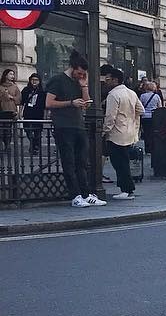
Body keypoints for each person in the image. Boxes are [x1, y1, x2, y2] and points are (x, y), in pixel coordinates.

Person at [45, 51, 104, 206]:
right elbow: (49, 103)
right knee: (69, 162)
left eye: (83, 74)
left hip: (78, 125)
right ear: (72, 68)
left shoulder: (80, 81)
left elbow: (88, 103)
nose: (80, 76)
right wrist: (71, 103)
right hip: (63, 126)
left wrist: (84, 86)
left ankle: (86, 194)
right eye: (79, 73)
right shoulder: (57, 80)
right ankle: (75, 195)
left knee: (82, 162)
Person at [100, 65, 143, 200]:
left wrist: (104, 131)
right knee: (124, 160)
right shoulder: (131, 93)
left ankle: (126, 189)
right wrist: (132, 119)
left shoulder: (113, 95)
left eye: (108, 79)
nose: (106, 82)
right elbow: (141, 110)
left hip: (116, 133)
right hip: (129, 132)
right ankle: (127, 188)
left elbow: (110, 116)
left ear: (115, 80)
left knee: (119, 162)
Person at [21, 72, 47, 155]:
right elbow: (22, 102)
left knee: (37, 131)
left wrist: (46, 114)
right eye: (32, 80)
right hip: (28, 112)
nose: (34, 82)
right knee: (27, 129)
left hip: (38, 113)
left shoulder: (42, 91)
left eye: (36, 80)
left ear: (39, 81)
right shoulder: (26, 90)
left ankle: (35, 146)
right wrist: (20, 112)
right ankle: (33, 143)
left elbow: (44, 104)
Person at [138, 78, 163, 154]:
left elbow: (139, 106)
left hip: (145, 117)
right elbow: (160, 107)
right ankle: (153, 148)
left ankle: (147, 149)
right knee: (153, 133)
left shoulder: (142, 96)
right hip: (154, 116)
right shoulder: (157, 96)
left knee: (146, 133)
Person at [0, 68, 19, 150]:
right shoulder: (0, 86)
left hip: (11, 110)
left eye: (13, 74)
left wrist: (12, 97)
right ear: (5, 75)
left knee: (8, 129)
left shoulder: (15, 87)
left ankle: (7, 145)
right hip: (1, 110)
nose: (12, 76)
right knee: (1, 130)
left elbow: (19, 99)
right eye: (10, 74)